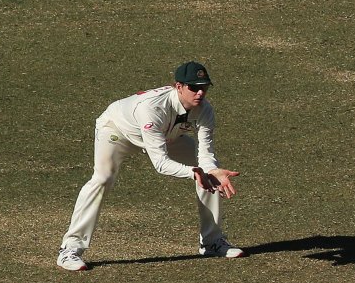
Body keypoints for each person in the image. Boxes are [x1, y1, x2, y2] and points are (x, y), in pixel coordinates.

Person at [59, 61, 243, 270]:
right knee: (103, 178)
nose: (200, 93)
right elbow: (161, 163)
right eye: (194, 87)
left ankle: (212, 241)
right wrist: (193, 172)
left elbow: (206, 155)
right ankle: (70, 249)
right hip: (118, 131)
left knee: (211, 173)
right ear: (179, 86)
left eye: (204, 87)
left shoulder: (205, 110)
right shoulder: (152, 107)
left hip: (165, 136)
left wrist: (211, 170)